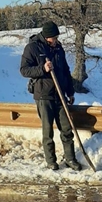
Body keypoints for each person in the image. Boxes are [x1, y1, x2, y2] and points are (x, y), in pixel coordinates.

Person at [20, 21, 82, 171]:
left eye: (56, 38)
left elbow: (65, 71)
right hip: (43, 96)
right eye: (53, 38)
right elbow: (24, 70)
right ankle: (51, 161)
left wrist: (70, 91)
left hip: (60, 95)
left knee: (67, 129)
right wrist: (43, 68)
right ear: (46, 36)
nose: (55, 41)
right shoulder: (33, 48)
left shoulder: (59, 48)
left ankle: (70, 159)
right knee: (48, 131)